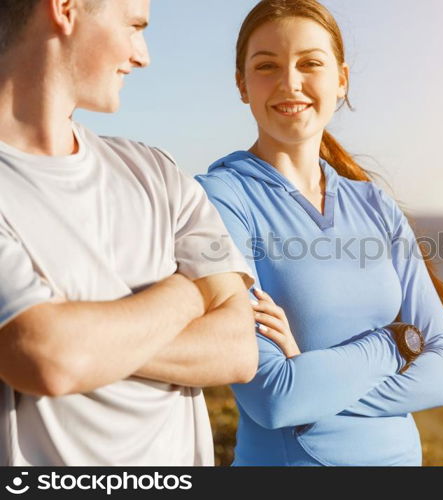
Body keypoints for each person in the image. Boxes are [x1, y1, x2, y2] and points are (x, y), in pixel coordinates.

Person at [196, 0, 443, 466]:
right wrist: (395, 343)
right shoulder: (221, 198)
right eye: (267, 66)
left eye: (309, 64)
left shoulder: (373, 203)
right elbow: (274, 399)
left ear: (341, 79)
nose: (290, 83)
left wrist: (312, 380)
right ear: (242, 84)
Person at [0, 0, 258, 466]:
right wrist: (189, 292)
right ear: (64, 8)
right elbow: (45, 357)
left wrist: (89, 344)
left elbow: (240, 348)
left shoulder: (159, 173)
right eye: (135, 26)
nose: (144, 55)